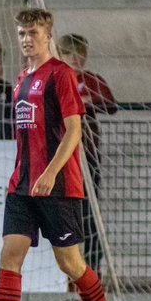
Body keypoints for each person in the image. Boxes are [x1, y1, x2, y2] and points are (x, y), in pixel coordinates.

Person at [0, 8, 124, 301]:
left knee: (71, 263)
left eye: (32, 32)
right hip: (22, 185)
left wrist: (51, 171)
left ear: (48, 35)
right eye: (21, 33)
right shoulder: (22, 78)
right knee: (10, 255)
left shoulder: (61, 75)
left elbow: (74, 130)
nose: (25, 39)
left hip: (58, 186)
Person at [57, 34, 117, 276]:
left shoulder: (90, 80)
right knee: (64, 212)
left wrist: (88, 100)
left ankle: (93, 269)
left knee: (89, 213)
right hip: (61, 157)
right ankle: (66, 271)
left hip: (88, 154)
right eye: (72, 54)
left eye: (81, 54)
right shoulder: (55, 78)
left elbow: (111, 104)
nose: (77, 59)